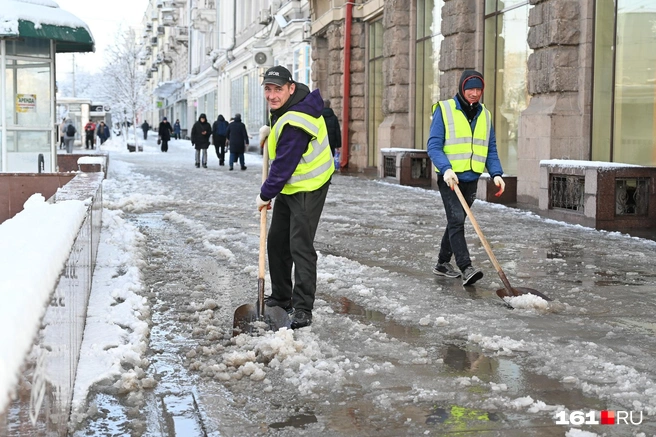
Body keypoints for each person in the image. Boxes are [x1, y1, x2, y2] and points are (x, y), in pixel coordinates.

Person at [256, 65, 335, 329]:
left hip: (310, 184)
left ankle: (303, 308)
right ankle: (281, 297)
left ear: (291, 88)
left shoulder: (298, 119)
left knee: (299, 244)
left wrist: (265, 194)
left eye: (278, 89)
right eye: (268, 89)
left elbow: (285, 164)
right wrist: (271, 131)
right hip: (291, 185)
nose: (272, 95)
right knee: (277, 241)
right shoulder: (286, 108)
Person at [426, 70, 505, 286]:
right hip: (450, 177)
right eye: (470, 88)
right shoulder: (445, 110)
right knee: (457, 220)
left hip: (472, 178)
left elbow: (490, 148)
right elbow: (433, 145)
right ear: (462, 88)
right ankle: (465, 267)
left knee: (456, 220)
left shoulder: (485, 115)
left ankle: (442, 263)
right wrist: (446, 169)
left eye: (479, 89)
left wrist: (496, 173)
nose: (475, 93)